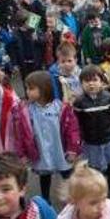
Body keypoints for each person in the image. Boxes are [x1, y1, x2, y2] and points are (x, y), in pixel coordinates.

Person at [13, 71, 81, 205]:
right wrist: (22, 154)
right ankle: (45, 199)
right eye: (27, 88)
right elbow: (20, 134)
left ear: (44, 89)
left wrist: (73, 149)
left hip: (60, 149)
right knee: (45, 176)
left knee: (67, 173)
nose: (27, 92)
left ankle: (73, 196)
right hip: (41, 150)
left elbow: (72, 131)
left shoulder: (60, 108)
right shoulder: (26, 110)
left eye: (31, 88)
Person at [74, 65, 110, 200]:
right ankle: (98, 187)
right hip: (91, 141)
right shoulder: (79, 103)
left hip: (109, 138)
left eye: (95, 80)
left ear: (102, 81)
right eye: (87, 81)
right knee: (94, 166)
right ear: (81, 84)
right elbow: (77, 122)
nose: (91, 84)